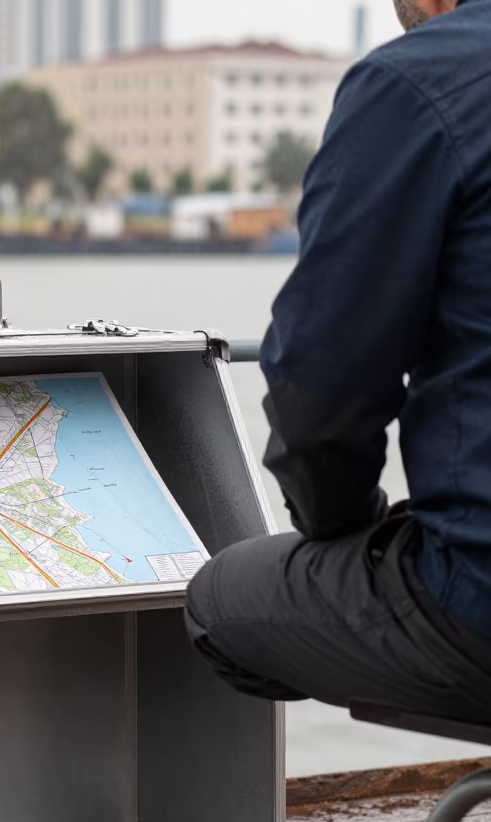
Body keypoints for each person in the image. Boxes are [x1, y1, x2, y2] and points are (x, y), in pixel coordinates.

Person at [184, 0, 491, 724]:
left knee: (216, 602)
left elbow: (319, 399)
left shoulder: (416, 84)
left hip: (480, 603)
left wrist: (345, 524)